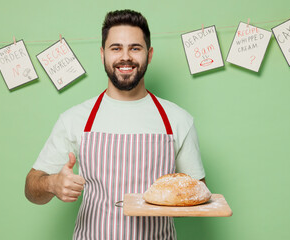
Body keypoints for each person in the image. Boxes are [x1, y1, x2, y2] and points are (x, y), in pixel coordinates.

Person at [25, 9, 206, 240]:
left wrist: (166, 201)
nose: (126, 57)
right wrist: (52, 183)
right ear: (102, 54)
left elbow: (198, 195)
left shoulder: (178, 120)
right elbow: (31, 188)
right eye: (116, 48)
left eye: (135, 48)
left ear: (149, 55)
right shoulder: (74, 119)